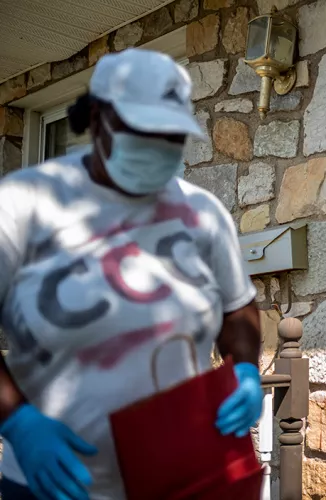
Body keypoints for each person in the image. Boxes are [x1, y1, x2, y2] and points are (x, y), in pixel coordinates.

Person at [0, 49, 264, 500]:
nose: (159, 147)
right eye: (144, 131)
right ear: (99, 119)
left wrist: (246, 369)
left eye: (171, 136)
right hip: (56, 487)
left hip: (183, 479)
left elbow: (237, 307)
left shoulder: (203, 213)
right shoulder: (23, 204)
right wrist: (17, 420)